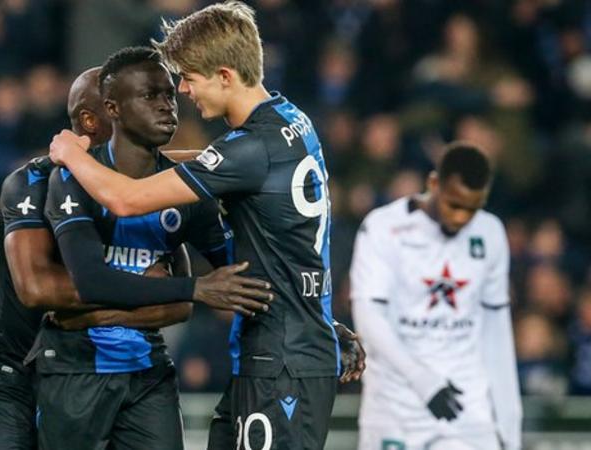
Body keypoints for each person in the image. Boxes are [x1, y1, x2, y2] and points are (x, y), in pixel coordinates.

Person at [46, 3, 365, 448]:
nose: (183, 90)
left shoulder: (248, 149)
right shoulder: (292, 121)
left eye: (190, 78)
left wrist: (71, 154)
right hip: (279, 349)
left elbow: (126, 199)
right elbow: (217, 169)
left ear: (225, 76)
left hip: (282, 362)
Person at [0, 67, 262, 450]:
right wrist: (140, 290)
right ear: (94, 119)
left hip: (115, 367)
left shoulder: (152, 189)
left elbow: (178, 303)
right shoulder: (32, 183)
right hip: (14, 371)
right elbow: (37, 290)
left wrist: (96, 307)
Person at [349, 142, 522, 450]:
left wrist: (510, 423)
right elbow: (368, 316)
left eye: (472, 209)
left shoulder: (490, 233)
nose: (461, 218)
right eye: (454, 205)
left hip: (466, 407)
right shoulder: (383, 227)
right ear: (433, 184)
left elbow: (496, 331)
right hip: (396, 405)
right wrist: (423, 380)